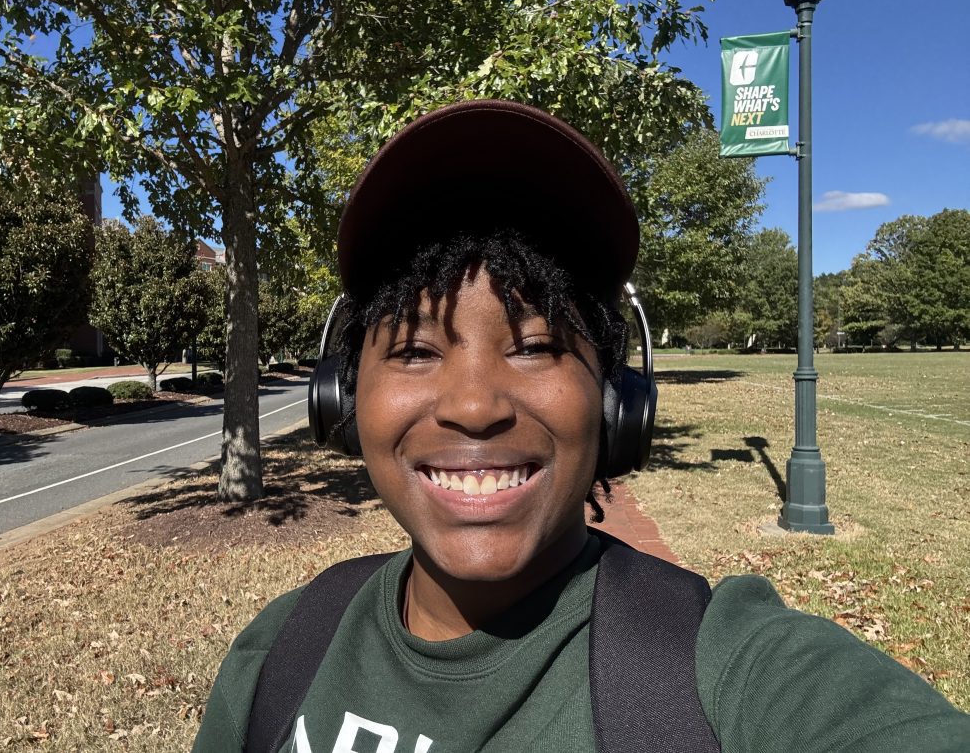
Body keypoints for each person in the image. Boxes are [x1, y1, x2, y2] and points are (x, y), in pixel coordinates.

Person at [194, 101, 970, 752]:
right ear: (340, 397)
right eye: (416, 348)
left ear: (616, 400)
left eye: (536, 345)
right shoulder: (281, 653)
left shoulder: (721, 670)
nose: (474, 404)